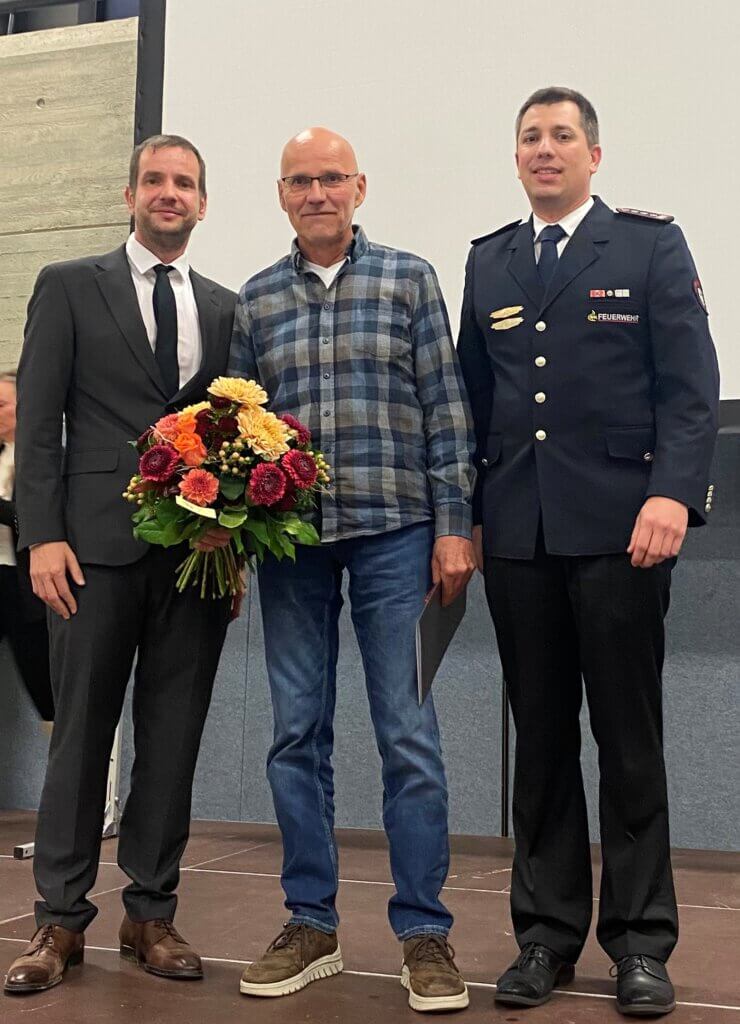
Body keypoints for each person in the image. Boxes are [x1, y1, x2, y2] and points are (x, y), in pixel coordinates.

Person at [457, 87, 719, 1017]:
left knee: (629, 740)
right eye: (529, 136)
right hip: (520, 536)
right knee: (540, 744)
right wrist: (469, 513)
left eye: (561, 136)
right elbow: (473, 402)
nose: (543, 149)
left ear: (594, 155)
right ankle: (545, 936)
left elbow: (692, 388)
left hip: (623, 532)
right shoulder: (488, 261)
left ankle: (641, 944)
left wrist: (673, 494)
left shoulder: (648, 244)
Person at [224, 127, 475, 1013]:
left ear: (359, 188)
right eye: (301, 180)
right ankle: (311, 923)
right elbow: (233, 439)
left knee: (408, 734)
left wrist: (456, 527)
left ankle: (423, 933)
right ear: (282, 194)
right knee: (297, 734)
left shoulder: (409, 280)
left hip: (398, 535)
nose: (317, 191)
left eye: (332, 177)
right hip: (292, 548)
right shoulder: (255, 302)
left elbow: (446, 412)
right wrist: (236, 542)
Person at [5, 135, 237, 996]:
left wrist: (235, 549)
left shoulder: (222, 306)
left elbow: (233, 437)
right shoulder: (70, 285)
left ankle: (151, 912)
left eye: (184, 183)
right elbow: (38, 422)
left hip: (194, 561)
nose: (168, 194)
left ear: (203, 204)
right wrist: (43, 536)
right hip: (88, 555)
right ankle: (58, 923)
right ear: (129, 194)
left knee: (171, 744)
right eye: (154, 181)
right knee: (82, 742)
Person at [0, 370, 54, 724]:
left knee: (45, 692)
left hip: (24, 589)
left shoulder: (47, 460)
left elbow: (33, 521)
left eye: (1, 403)